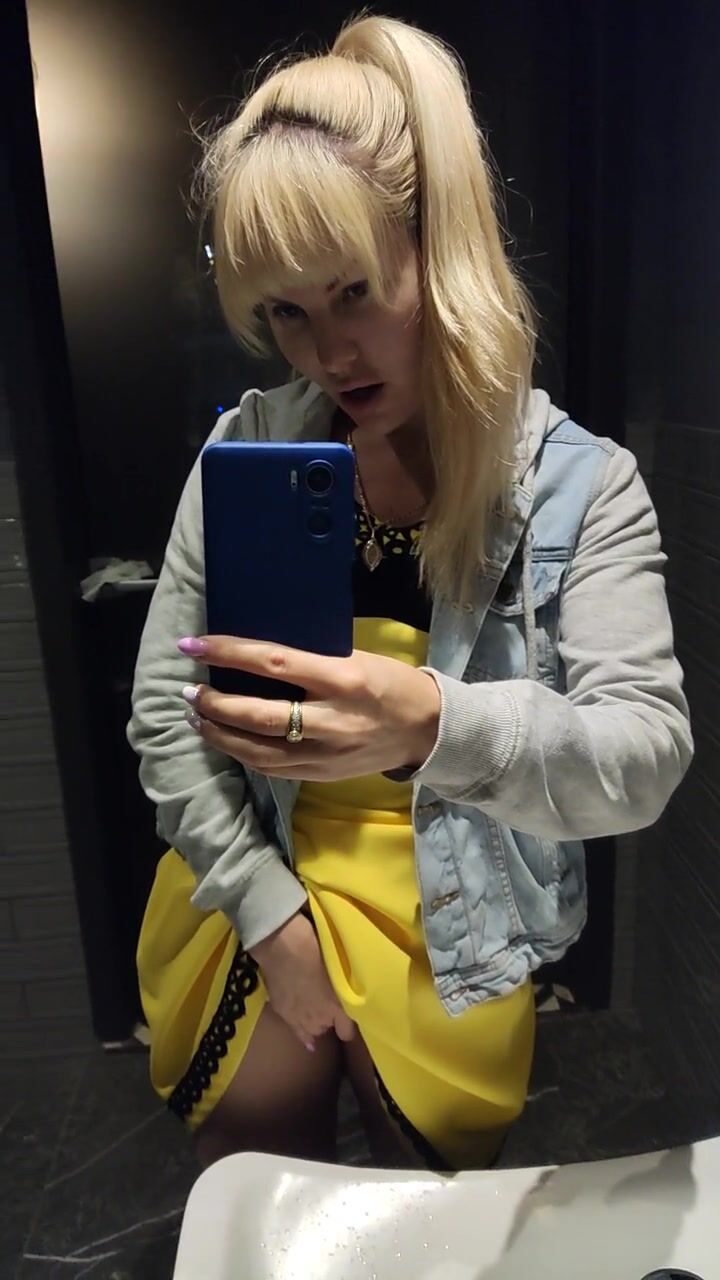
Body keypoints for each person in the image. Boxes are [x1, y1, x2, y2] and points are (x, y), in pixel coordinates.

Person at [127, 13, 693, 1172]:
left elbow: (644, 755)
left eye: (353, 291)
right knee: (271, 1213)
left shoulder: (581, 488)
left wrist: (433, 722)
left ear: (444, 250)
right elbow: (162, 711)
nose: (327, 352)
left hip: (457, 924)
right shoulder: (246, 450)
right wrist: (271, 918)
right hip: (256, 882)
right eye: (287, 312)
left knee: (433, 1225)